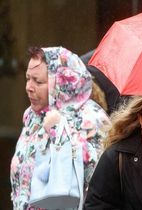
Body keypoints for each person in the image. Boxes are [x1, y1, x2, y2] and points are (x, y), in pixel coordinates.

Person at [10, 47, 111, 209]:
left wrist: (61, 133)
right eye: (28, 78)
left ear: (63, 82)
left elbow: (100, 188)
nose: (29, 87)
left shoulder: (92, 120)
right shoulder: (32, 117)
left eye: (38, 81)